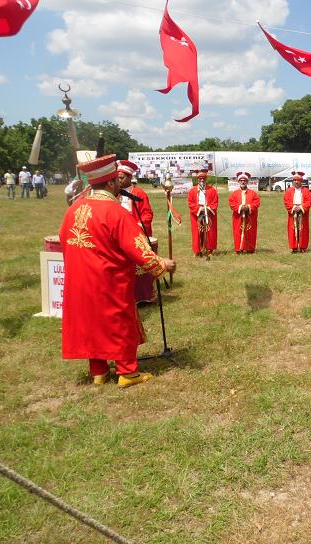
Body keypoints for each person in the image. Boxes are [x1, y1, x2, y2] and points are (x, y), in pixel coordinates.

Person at [59, 154, 176, 388]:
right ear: (111, 183)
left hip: (80, 280)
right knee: (119, 322)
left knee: (90, 323)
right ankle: (127, 372)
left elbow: (64, 240)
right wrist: (162, 265)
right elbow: (139, 250)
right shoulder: (115, 213)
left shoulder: (74, 209)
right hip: (109, 280)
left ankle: (99, 372)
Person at [117, 160, 153, 235]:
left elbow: (147, 214)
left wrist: (138, 227)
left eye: (121, 178)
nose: (118, 180)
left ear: (130, 177)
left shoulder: (139, 193)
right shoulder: (114, 193)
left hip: (135, 232)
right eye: (117, 178)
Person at [187, 172, 218, 257]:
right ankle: (198, 250)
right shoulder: (192, 191)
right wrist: (199, 209)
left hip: (208, 212)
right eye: (200, 179)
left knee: (209, 231)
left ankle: (209, 249)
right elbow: (190, 203)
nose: (202, 180)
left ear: (206, 179)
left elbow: (215, 202)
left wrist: (208, 208)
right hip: (197, 214)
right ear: (197, 180)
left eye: (203, 178)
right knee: (197, 232)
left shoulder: (212, 190)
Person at [229, 171, 260, 254]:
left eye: (245, 180)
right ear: (238, 181)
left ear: (247, 182)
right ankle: (239, 249)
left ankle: (249, 249)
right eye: (241, 180)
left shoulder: (253, 193)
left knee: (250, 231)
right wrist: (240, 207)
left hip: (250, 216)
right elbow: (231, 203)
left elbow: (256, 203)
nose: (243, 182)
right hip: (238, 216)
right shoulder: (234, 194)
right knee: (238, 231)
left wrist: (248, 207)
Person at [283, 171, 311, 253]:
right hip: (293, 212)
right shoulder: (289, 191)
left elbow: (308, 201)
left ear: (301, 181)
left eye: (298, 180)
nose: (296, 181)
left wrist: (301, 207)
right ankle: (294, 247)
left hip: (303, 213)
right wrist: (293, 207)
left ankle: (302, 247)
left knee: (303, 229)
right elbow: (286, 201)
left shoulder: (306, 191)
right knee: (292, 228)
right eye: (294, 180)